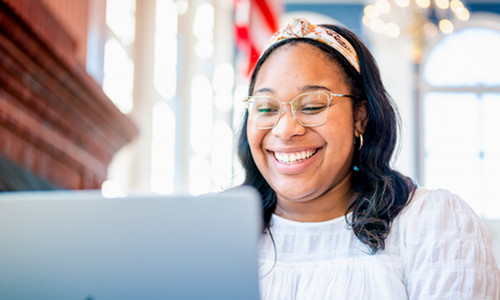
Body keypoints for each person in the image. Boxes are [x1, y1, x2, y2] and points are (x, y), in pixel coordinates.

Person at [237, 17, 500, 299]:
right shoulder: (214, 235)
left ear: (360, 116)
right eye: (265, 108)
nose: (286, 129)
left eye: (312, 106)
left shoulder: (433, 225)